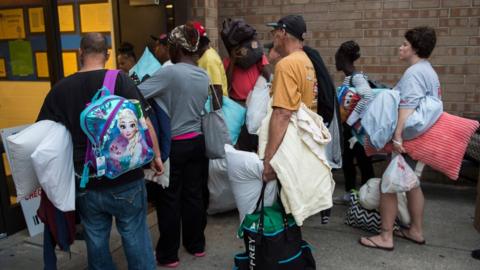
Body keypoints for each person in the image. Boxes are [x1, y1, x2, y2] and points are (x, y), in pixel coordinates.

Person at [37, 33, 163, 270]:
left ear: (79, 54)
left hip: (87, 181)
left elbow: (43, 135)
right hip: (126, 177)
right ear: (107, 55)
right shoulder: (121, 80)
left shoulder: (60, 89)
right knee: (135, 235)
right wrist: (155, 156)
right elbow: (144, 123)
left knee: (96, 240)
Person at [359, 26, 441, 251]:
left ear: (415, 48)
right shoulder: (429, 71)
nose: (401, 47)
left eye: (405, 44)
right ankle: (415, 230)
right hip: (422, 136)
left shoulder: (414, 73)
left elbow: (407, 105)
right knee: (413, 184)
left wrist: (396, 138)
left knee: (389, 184)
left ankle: (385, 237)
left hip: (407, 139)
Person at [138, 23, 209, 268]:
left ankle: (168, 254)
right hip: (197, 142)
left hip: (174, 145)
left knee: (169, 200)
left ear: (176, 48)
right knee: (193, 196)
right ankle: (196, 244)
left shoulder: (170, 73)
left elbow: (137, 92)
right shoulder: (203, 74)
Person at [262, 15, 317, 182]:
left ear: (283, 32)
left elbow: (282, 114)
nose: (273, 37)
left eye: (274, 32)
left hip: (288, 149)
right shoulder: (307, 61)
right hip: (304, 145)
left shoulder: (286, 65)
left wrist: (269, 158)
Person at [333, 40, 375, 205]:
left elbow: (368, 97)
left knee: (364, 164)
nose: (335, 61)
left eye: (337, 57)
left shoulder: (357, 78)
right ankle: (352, 194)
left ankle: (368, 198)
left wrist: (350, 122)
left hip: (358, 132)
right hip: (349, 131)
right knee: (348, 162)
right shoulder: (349, 78)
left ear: (343, 57)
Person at [194, 21, 228, 110]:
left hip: (213, 109)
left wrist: (217, 118)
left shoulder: (209, 59)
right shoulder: (207, 53)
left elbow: (217, 91)